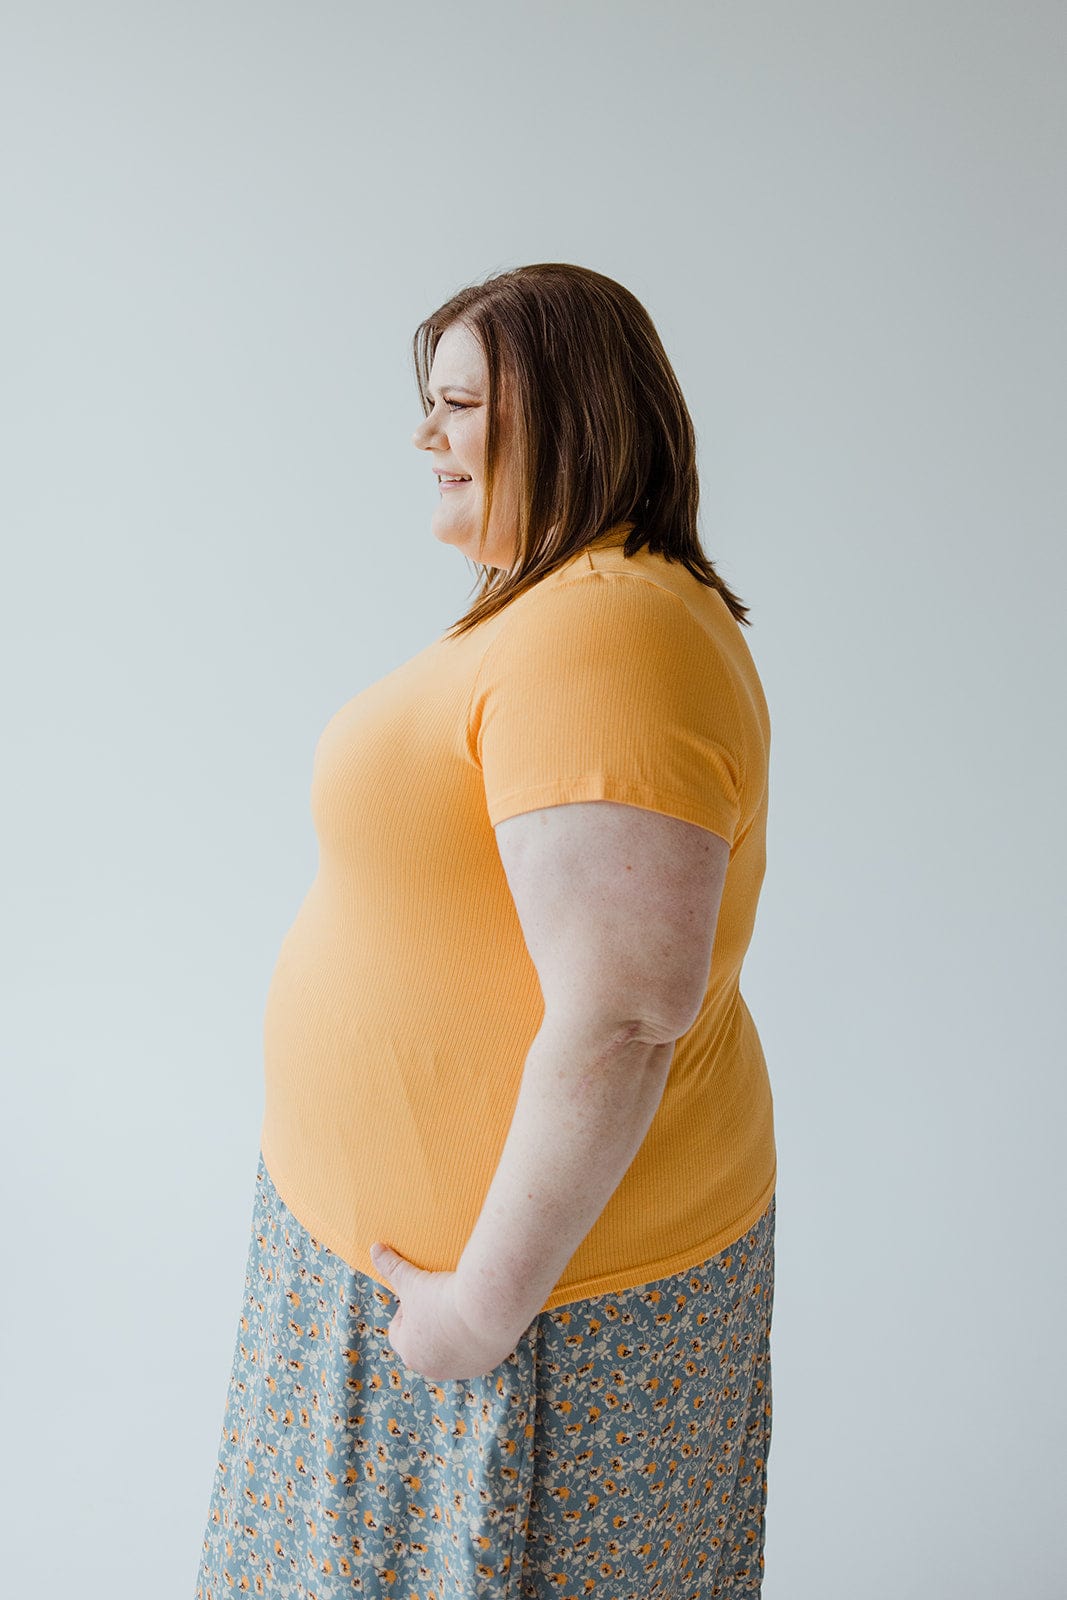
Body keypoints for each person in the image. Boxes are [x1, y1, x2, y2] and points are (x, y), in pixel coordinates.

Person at [195, 262, 777, 1600]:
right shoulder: (570, 610)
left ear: (567, 415)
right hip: (447, 1297)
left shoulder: (612, 634)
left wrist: (480, 1309)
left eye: (458, 403)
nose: (427, 437)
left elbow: (626, 1013)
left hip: (530, 1324)